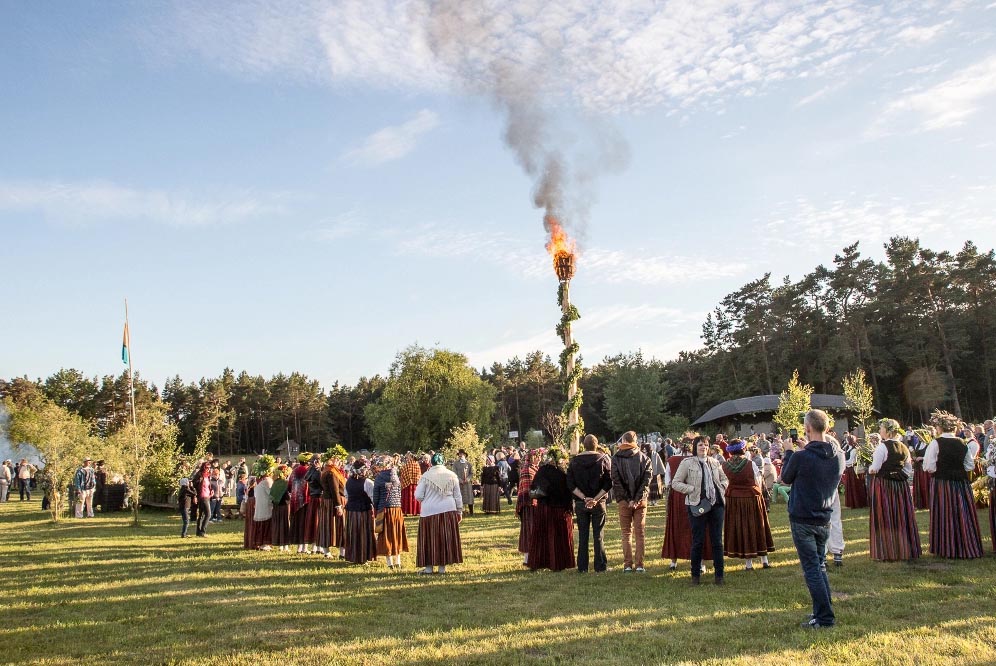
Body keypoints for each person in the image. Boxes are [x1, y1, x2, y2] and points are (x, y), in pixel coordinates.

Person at [780, 409, 844, 629]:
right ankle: (821, 611)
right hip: (824, 515)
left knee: (812, 569)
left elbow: (785, 478)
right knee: (820, 566)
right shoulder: (837, 455)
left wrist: (789, 453)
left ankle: (825, 617)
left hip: (803, 517)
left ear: (807, 429)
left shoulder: (800, 457)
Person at [923, 410, 984, 559]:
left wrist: (942, 468)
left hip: (943, 483)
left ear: (940, 428)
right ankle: (965, 543)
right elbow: (969, 465)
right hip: (961, 483)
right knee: (962, 513)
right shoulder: (963, 443)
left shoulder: (936, 443)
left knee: (945, 513)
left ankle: (946, 546)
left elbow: (928, 466)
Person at [672, 435, 729, 585]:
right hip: (697, 505)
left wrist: (721, 488)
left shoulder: (715, 462)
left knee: (717, 541)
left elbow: (724, 479)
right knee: (698, 541)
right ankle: (695, 575)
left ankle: (719, 575)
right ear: (695, 448)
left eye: (705, 445)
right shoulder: (687, 463)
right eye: (700, 445)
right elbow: (675, 483)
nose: (703, 448)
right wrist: (691, 489)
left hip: (716, 504)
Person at [867, 419, 922, 562]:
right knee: (901, 513)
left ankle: (888, 550)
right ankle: (904, 548)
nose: (880, 431)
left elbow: (875, 468)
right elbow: (908, 469)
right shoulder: (904, 447)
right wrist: (898, 476)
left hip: (884, 485)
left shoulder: (882, 447)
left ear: (888, 431)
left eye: (881, 429)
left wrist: (870, 469)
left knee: (885, 513)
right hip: (900, 486)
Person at [721, 440, 773, 570]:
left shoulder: (724, 466)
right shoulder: (751, 464)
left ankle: (748, 564)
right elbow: (757, 481)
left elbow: (724, 483)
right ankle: (764, 560)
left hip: (734, 500)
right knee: (757, 526)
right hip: (751, 498)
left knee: (741, 528)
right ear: (743, 449)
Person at [662, 438, 713, 571]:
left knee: (677, 527)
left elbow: (668, 482)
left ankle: (674, 561)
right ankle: (700, 563)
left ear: (678, 445)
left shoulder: (672, 461)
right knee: (698, 528)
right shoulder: (698, 460)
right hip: (695, 496)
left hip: (678, 498)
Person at [566, 434, 612, 573]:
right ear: (596, 445)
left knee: (583, 535)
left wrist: (584, 497)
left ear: (583, 445)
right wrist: (595, 498)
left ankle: (582, 566)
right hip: (598, 502)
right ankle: (600, 566)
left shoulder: (574, 461)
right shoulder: (603, 459)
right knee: (598, 535)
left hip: (581, 502)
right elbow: (608, 482)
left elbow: (570, 483)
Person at [414, 452, 464, 574]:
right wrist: (459, 511)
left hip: (429, 512)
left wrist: (428, 498)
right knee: (444, 539)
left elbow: (418, 495)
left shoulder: (426, 476)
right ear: (443, 462)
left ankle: (429, 568)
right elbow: (457, 496)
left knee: (429, 540)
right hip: (448, 510)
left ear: (432, 462)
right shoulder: (451, 475)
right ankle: (442, 568)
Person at [528, 447, 575, 572]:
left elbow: (534, 487)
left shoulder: (542, 471)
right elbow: (567, 493)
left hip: (544, 508)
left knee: (541, 535)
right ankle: (559, 563)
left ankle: (538, 562)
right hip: (559, 509)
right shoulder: (562, 473)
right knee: (558, 537)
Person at [611, 431, 652, 572]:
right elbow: (646, 482)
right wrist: (635, 499)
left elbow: (616, 481)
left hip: (624, 500)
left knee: (626, 533)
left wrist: (628, 499)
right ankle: (639, 565)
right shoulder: (645, 458)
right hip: (639, 501)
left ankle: (628, 564)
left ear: (623, 441)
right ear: (636, 440)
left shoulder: (616, 458)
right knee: (639, 533)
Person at [373, 456, 409, 569]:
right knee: (396, 534)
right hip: (397, 509)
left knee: (386, 535)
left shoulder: (379, 478)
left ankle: (390, 563)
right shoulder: (396, 477)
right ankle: (398, 561)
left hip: (385, 509)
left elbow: (376, 497)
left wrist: (376, 508)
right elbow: (399, 492)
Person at [344, 459, 376, 564]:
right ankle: (363, 557)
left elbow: (346, 496)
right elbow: (373, 498)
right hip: (363, 511)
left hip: (351, 511)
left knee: (353, 533)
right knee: (363, 534)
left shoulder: (348, 481)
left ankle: (353, 556)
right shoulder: (368, 482)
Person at [317, 457, 347, 559]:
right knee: (337, 525)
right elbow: (334, 490)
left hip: (328, 501)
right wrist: (338, 506)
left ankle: (335, 552)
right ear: (331, 460)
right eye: (337, 460)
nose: (339, 462)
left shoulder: (328, 470)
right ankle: (335, 552)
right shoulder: (331, 472)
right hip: (333, 501)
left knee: (329, 525)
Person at [516, 449, 540, 565]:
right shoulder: (527, 470)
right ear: (531, 458)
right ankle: (528, 558)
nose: (539, 459)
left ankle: (535, 557)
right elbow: (529, 491)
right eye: (537, 457)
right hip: (528, 505)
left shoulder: (536, 469)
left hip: (535, 505)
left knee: (535, 530)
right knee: (529, 531)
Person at [288, 455, 312, 553]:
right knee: (305, 524)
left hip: (295, 501)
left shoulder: (294, 471)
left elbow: (289, 486)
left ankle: (299, 547)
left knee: (298, 523)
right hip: (306, 500)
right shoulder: (309, 471)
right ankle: (305, 548)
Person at [841, 435, 868, 509]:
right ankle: (851, 503)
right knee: (850, 486)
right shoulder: (848, 448)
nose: (846, 441)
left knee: (855, 486)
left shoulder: (854, 450)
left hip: (854, 470)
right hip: (849, 469)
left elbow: (852, 461)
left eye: (847, 440)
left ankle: (858, 503)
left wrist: (842, 462)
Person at [252, 464, 274, 551]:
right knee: (266, 525)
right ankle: (265, 543)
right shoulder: (268, 481)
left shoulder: (260, 481)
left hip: (260, 505)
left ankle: (260, 543)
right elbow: (272, 494)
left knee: (261, 525)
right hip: (266, 506)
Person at [270, 464, 292, 552]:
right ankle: (285, 545)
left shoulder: (275, 483)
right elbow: (289, 493)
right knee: (285, 524)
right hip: (284, 506)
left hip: (276, 506)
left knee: (278, 525)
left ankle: (279, 544)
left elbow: (271, 495)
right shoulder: (286, 483)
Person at [191, 462, 212, 537]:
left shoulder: (208, 476)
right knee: (208, 514)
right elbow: (194, 485)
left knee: (201, 515)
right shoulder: (199, 475)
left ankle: (198, 532)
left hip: (207, 496)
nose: (208, 469)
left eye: (209, 467)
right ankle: (202, 531)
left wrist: (211, 490)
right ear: (203, 467)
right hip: (202, 496)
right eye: (207, 467)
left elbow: (208, 485)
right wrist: (195, 495)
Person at [453, 450, 474, 515]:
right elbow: (454, 473)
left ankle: (471, 512)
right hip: (459, 483)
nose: (460, 455)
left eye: (462, 454)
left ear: (465, 455)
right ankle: (460, 512)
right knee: (460, 497)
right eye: (459, 454)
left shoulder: (469, 464)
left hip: (467, 483)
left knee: (469, 497)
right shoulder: (455, 464)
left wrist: (468, 479)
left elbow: (471, 473)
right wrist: (459, 480)